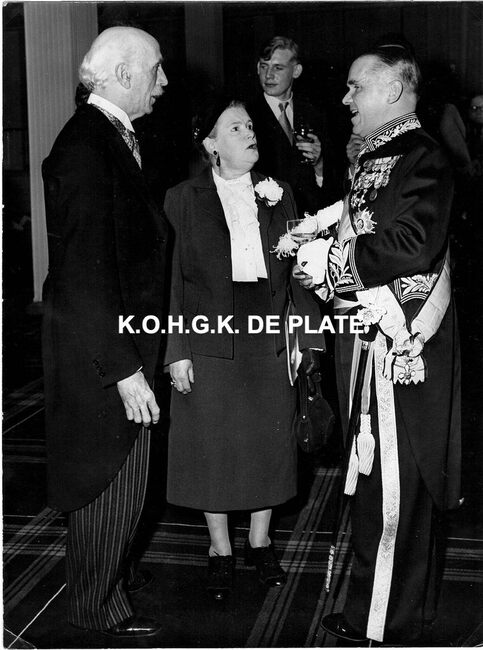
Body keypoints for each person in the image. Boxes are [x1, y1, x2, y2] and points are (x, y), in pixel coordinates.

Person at [294, 46, 461, 644]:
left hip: (401, 346)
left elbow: (413, 243)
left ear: (392, 91)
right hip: (366, 340)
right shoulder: (375, 153)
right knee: (376, 481)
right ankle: (390, 610)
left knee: (396, 484)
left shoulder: (423, 156)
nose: (345, 99)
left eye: (355, 87)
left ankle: (382, 622)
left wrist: (334, 262)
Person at [164, 96, 324, 601]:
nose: (250, 132)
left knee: (267, 441)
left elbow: (299, 274)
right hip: (207, 335)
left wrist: (305, 340)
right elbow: (172, 280)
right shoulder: (182, 198)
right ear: (211, 144)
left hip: (269, 333)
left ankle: (260, 541)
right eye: (235, 128)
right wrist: (176, 351)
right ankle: (219, 549)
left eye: (250, 125)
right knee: (211, 444)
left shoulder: (279, 193)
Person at [42, 26, 169, 638]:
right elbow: (83, 275)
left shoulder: (106, 138)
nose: (163, 82)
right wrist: (124, 370)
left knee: (122, 480)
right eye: (156, 69)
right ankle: (93, 616)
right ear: (124, 75)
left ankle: (108, 592)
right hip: (103, 354)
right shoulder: (87, 147)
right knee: (108, 480)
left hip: (115, 343)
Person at [248, 36, 339, 214]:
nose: (268, 75)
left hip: (311, 216)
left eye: (278, 68)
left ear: (296, 71)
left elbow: (332, 180)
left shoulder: (315, 113)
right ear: (258, 68)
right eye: (264, 66)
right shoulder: (246, 116)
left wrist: (319, 163)